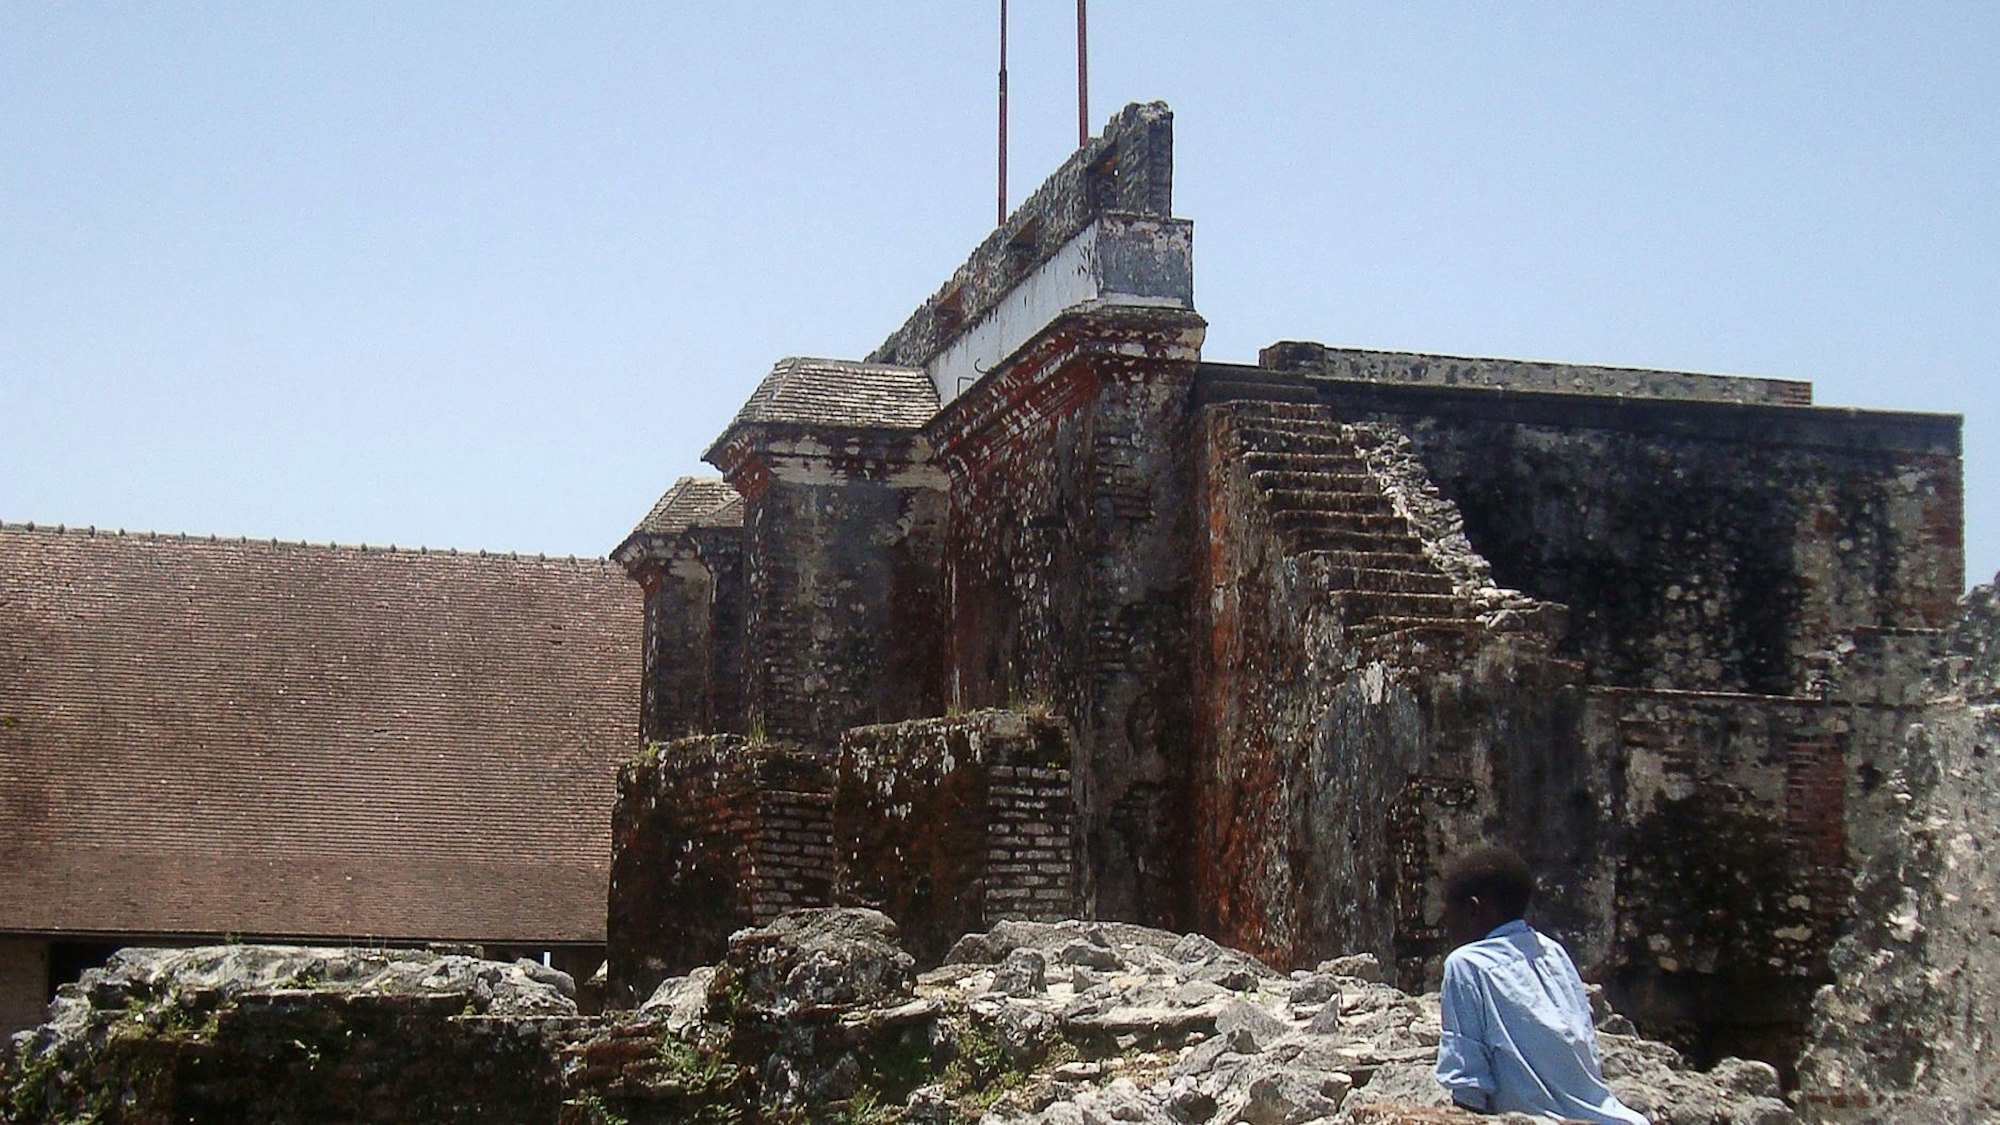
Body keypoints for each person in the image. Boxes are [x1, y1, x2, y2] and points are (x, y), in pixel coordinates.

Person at [1433, 845, 1649, 1123]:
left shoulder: (1466, 964)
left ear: (1473, 909)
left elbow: (1467, 1082)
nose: (1445, 922)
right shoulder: (1553, 951)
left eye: (1449, 911)